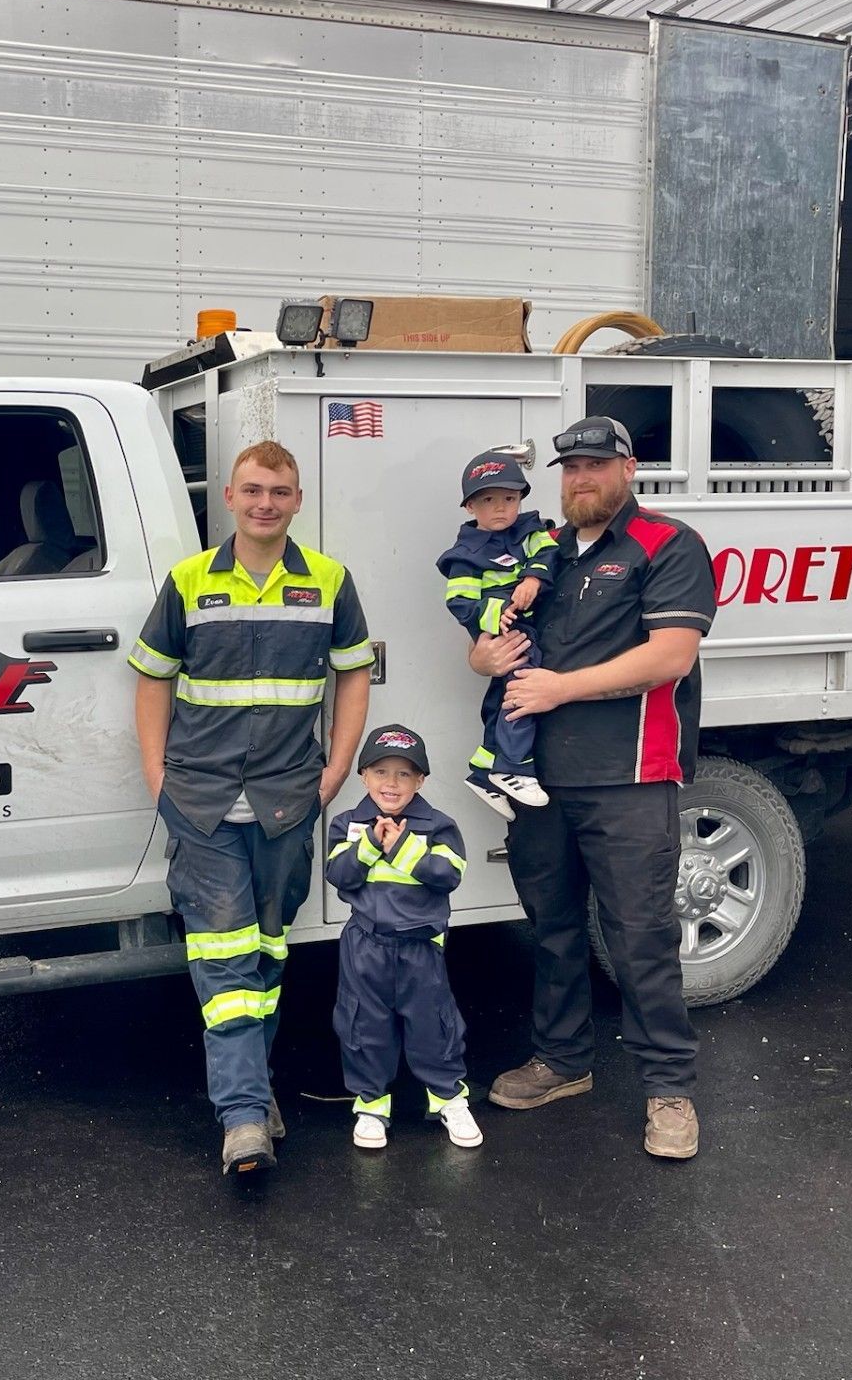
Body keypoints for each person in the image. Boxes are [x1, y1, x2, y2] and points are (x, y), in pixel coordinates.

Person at [471, 416, 717, 1160]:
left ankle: (669, 1090)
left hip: (631, 777)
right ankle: (563, 1062)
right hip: (540, 781)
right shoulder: (541, 554)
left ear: (629, 468)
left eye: (596, 466)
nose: (582, 478)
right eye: (570, 467)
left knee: (640, 938)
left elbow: (670, 656)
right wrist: (485, 657)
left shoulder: (667, 545)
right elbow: (501, 642)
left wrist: (560, 690)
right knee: (551, 930)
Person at [129, 440, 375, 1177]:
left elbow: (354, 676)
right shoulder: (189, 580)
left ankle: (255, 1086)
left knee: (267, 950)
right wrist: (157, 777)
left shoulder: (329, 582)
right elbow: (151, 681)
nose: (266, 502)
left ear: (297, 501)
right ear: (229, 498)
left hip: (285, 800)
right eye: (253, 490)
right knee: (224, 952)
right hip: (200, 801)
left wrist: (333, 773)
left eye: (280, 491)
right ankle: (241, 1117)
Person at [325, 724, 481, 1151]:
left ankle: (449, 1098)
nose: (391, 784)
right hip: (365, 946)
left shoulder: (438, 825)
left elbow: (448, 875)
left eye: (404, 775)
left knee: (433, 1024)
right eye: (380, 772)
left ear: (421, 781)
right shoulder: (348, 823)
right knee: (364, 1025)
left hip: (420, 947)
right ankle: (372, 1104)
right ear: (363, 776)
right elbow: (338, 876)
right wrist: (371, 845)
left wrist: (403, 848)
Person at [435, 448, 563, 819]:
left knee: (499, 701)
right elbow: (459, 602)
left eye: (509, 499)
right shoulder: (464, 554)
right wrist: (498, 614)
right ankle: (515, 767)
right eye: (488, 500)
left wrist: (533, 577)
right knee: (523, 690)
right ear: (470, 507)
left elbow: (549, 553)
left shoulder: (530, 531)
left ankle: (484, 773)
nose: (500, 508)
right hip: (507, 630)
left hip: (527, 622)